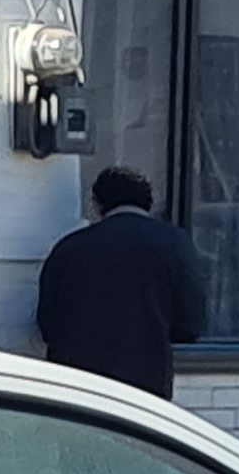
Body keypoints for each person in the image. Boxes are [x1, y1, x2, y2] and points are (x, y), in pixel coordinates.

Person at [36, 165, 210, 400]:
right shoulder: (173, 245)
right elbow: (190, 324)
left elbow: (48, 324)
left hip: (75, 383)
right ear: (148, 203)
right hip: (143, 382)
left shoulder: (70, 248)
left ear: (97, 203)